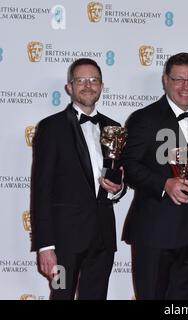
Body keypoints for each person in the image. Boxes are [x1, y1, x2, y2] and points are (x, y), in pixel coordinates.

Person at [31, 58, 124, 299]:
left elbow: (118, 180)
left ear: (101, 86)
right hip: (63, 242)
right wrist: (45, 246)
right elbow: (41, 190)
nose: (88, 85)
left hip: (102, 239)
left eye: (93, 80)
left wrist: (117, 188)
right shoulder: (52, 127)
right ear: (69, 87)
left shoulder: (114, 128)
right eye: (81, 80)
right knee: (60, 295)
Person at [121, 52, 188, 300]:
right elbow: (128, 165)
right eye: (179, 79)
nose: (186, 86)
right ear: (165, 81)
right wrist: (164, 184)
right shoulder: (145, 118)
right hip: (157, 232)